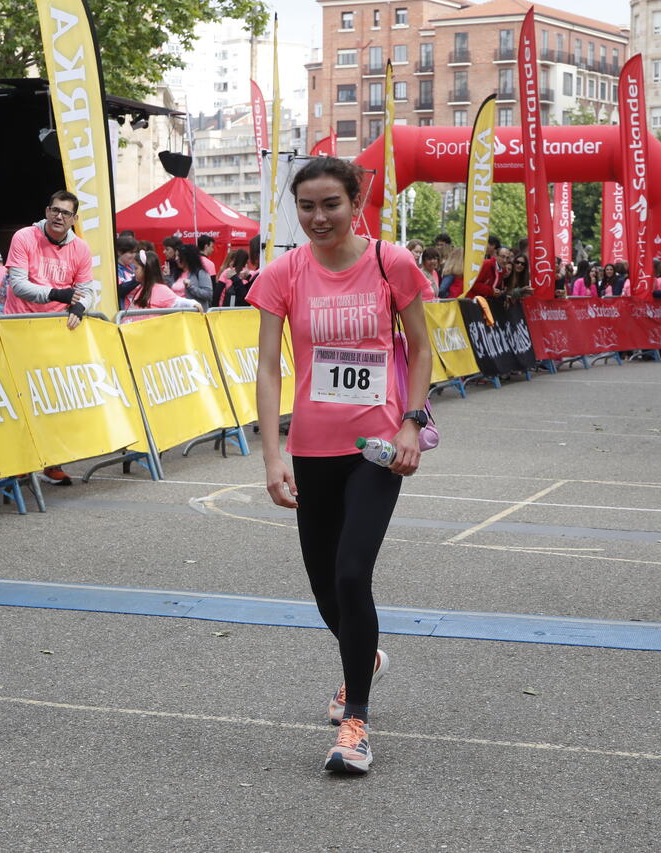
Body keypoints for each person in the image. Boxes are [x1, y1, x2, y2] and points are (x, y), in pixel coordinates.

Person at [249, 156, 432, 775]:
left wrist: (412, 420)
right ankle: (367, 654)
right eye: (307, 207)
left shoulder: (391, 263)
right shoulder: (282, 274)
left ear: (357, 202)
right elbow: (270, 368)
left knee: (353, 574)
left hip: (376, 448)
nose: (319, 218)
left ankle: (355, 720)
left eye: (331, 204)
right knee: (326, 589)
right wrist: (273, 457)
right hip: (311, 449)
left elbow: (422, 346)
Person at [4, 190, 97, 486]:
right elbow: (18, 285)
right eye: (55, 210)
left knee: (53, 400)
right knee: (19, 399)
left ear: (74, 219)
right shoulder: (24, 237)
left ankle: (51, 462)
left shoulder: (81, 248)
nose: (59, 216)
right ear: (46, 211)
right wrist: (56, 294)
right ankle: (19, 462)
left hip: (57, 334)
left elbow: (89, 289)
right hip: (20, 328)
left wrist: (81, 305)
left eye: (66, 213)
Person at [124, 251, 197, 313]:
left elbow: (177, 302)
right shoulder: (141, 288)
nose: (134, 271)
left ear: (147, 270)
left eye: (136, 268)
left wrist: (193, 304)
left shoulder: (161, 289)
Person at [176, 243, 214, 309]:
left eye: (179, 256)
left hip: (194, 314)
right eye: (175, 256)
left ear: (187, 257)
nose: (176, 259)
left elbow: (208, 294)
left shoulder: (200, 273)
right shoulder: (176, 274)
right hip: (177, 315)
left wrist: (191, 287)